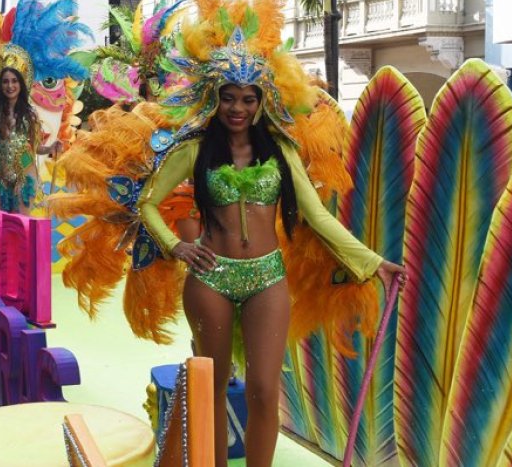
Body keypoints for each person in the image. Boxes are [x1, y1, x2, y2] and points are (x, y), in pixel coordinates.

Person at [135, 31, 406, 466]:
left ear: (261, 103)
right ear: (214, 98)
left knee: (264, 388)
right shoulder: (193, 150)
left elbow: (317, 217)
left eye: (247, 99)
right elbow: (146, 203)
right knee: (214, 387)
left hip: (266, 278)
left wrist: (374, 264)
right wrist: (176, 247)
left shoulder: (280, 151)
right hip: (210, 278)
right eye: (229, 98)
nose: (237, 108)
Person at [0, 66, 59, 214]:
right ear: (0, 86)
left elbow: (36, 146)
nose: (10, 86)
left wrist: (50, 148)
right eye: (5, 82)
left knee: (21, 223)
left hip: (24, 172)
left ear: (20, 85)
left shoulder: (31, 114)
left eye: (14, 81)